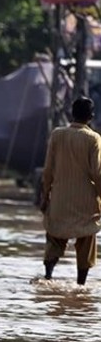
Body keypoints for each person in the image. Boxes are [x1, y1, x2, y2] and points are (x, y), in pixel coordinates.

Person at [40, 96, 101, 285]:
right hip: (85, 202)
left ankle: (48, 276)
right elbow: (97, 173)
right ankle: (80, 284)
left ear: (71, 114)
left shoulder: (57, 135)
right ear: (91, 117)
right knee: (86, 239)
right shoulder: (93, 139)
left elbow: (48, 170)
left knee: (55, 237)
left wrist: (45, 197)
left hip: (60, 199)